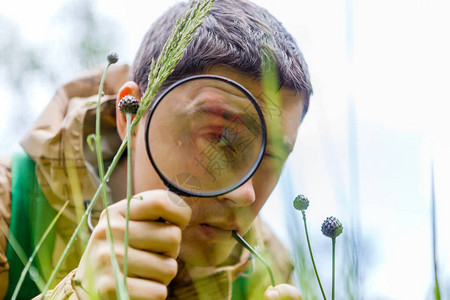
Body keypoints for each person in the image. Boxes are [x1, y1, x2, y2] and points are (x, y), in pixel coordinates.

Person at [0, 0, 313, 299]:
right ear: (131, 116)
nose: (245, 194)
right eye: (219, 138)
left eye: (272, 157)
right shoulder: (10, 207)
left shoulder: (268, 268)